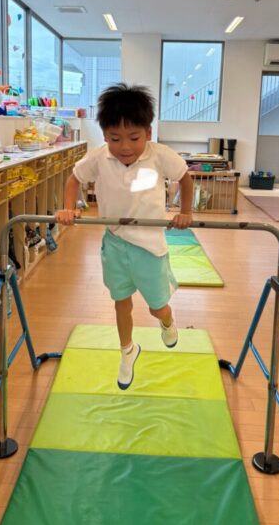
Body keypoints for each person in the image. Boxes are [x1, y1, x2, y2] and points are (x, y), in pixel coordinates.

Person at [55, 83, 194, 390]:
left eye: (134, 137)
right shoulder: (99, 157)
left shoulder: (159, 156)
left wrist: (185, 212)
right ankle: (127, 350)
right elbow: (74, 179)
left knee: (157, 306)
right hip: (115, 243)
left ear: (148, 132)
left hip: (149, 246)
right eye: (115, 138)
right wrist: (68, 208)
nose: (125, 147)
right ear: (105, 135)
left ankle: (167, 321)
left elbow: (186, 179)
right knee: (121, 302)